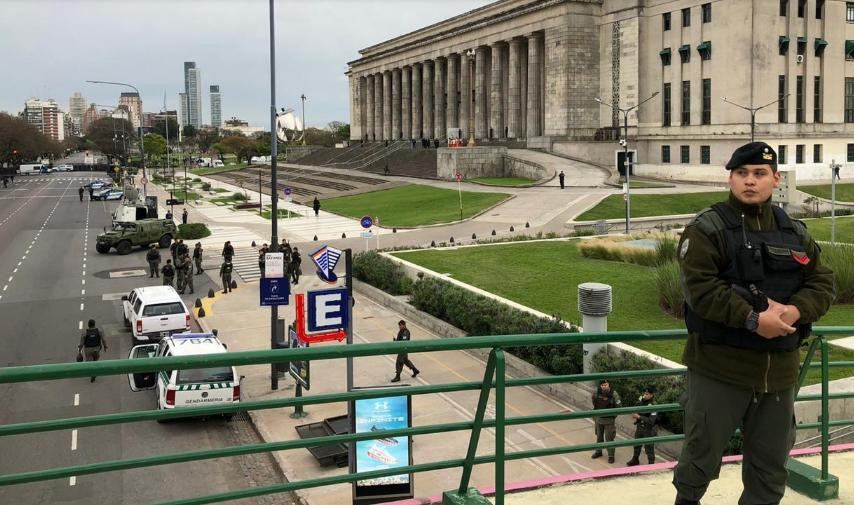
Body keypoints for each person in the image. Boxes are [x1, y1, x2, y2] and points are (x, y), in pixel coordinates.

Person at [673, 142, 834, 505]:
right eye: (741, 173)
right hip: (719, 371)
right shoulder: (708, 228)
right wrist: (752, 319)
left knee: (770, 471)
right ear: (730, 178)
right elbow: (700, 289)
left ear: (775, 179)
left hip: (778, 376)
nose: (750, 181)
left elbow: (823, 282)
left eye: (759, 174)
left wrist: (794, 312)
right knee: (698, 462)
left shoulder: (794, 232)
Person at [626, 386, 658, 466]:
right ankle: (635, 459)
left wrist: (639, 417)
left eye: (647, 394)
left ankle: (651, 464)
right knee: (637, 444)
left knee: (649, 448)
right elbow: (635, 408)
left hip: (649, 429)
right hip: (640, 427)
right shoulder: (641, 402)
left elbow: (651, 421)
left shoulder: (654, 405)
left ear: (651, 395)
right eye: (644, 393)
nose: (645, 395)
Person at [591, 378, 621, 463]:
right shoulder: (596, 393)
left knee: (609, 439)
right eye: (602, 385)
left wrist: (612, 417)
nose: (604, 386)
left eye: (606, 385)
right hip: (599, 420)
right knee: (599, 437)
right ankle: (598, 452)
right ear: (600, 386)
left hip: (609, 421)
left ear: (609, 385)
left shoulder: (614, 394)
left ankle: (611, 456)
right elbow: (594, 403)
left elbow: (619, 407)